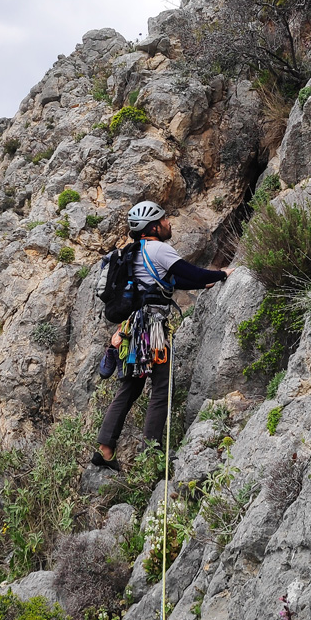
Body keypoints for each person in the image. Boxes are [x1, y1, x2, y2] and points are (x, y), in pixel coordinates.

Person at [92, 200, 233, 471]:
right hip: (152, 330)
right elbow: (188, 272)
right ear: (154, 226)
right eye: (164, 219)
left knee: (131, 387)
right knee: (161, 388)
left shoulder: (135, 251)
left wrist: (207, 280)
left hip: (131, 329)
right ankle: (152, 456)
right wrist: (222, 274)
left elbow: (175, 281)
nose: (169, 223)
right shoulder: (159, 249)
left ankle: (105, 448)